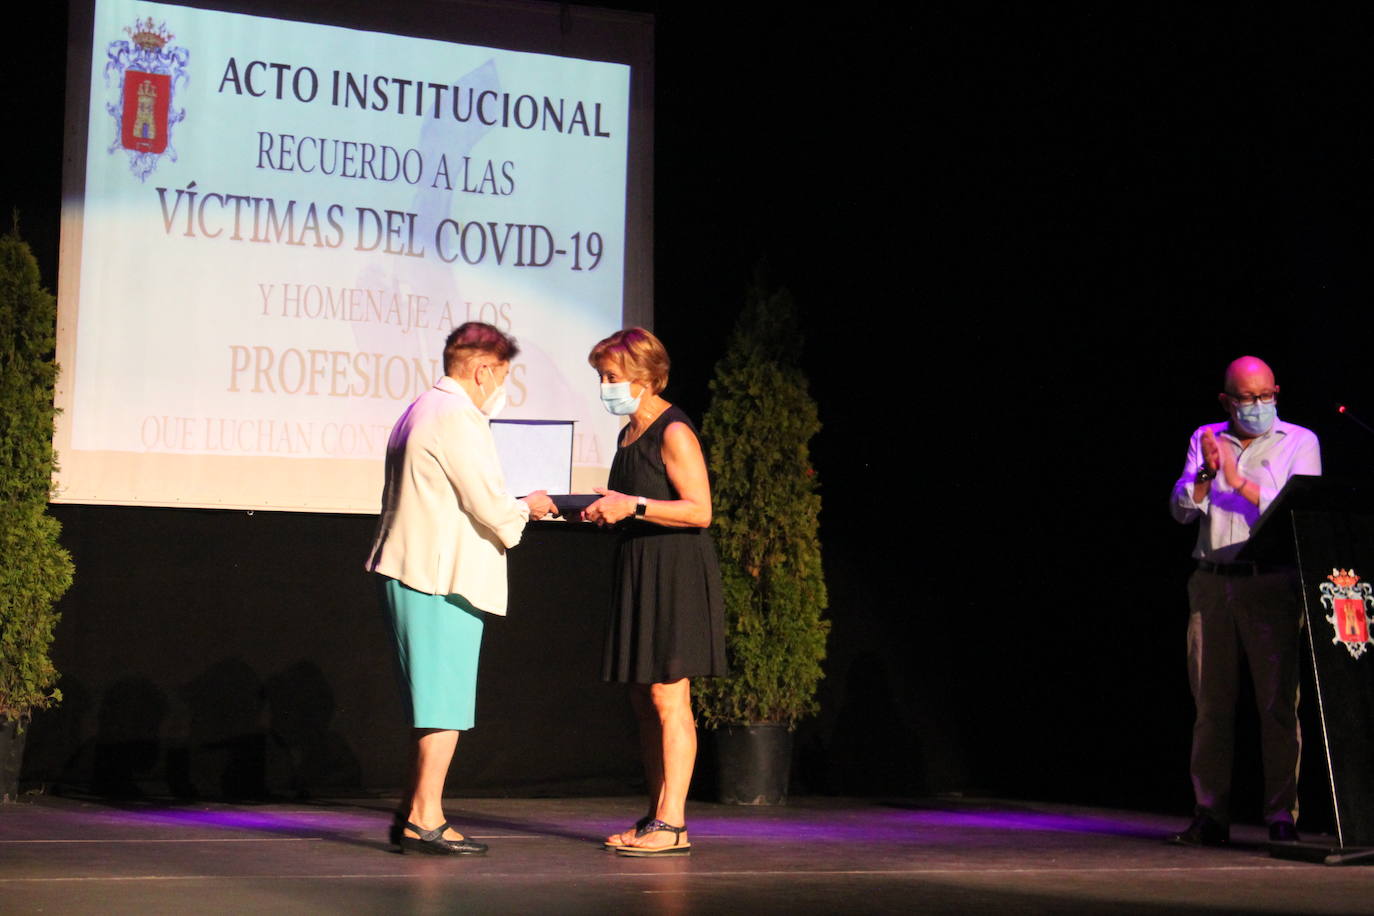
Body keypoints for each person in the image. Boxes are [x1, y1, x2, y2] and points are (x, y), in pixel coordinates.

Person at [366, 322, 556, 855]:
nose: (500, 388)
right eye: (502, 377)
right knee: (444, 704)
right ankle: (425, 817)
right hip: (436, 577)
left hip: (422, 571)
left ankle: (417, 810)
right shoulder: (456, 417)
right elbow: (489, 506)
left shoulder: (422, 408)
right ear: (483, 370)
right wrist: (530, 507)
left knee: (435, 702)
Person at [582, 327, 727, 857]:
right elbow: (631, 499)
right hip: (640, 567)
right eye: (601, 376)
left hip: (675, 571)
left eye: (612, 377)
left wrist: (635, 506)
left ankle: (674, 824)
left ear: (646, 377)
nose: (605, 386)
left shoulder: (674, 431)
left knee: (670, 697)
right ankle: (655, 816)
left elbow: (699, 510)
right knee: (643, 697)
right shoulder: (628, 433)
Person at [1168, 355, 1321, 846]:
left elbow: (1298, 509)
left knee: (1277, 704)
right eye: (1245, 398)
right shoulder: (1206, 436)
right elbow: (1180, 511)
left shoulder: (1300, 441)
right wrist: (1210, 476)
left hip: (1270, 585)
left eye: (1265, 396)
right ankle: (1210, 813)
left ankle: (1282, 816)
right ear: (1225, 400)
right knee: (1210, 705)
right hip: (1212, 584)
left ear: (1276, 391)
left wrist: (1240, 482)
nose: (1257, 406)